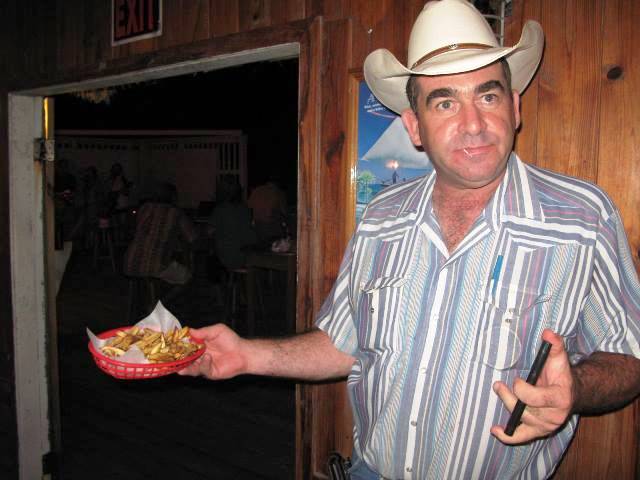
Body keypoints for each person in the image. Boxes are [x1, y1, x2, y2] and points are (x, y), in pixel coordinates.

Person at [181, 1, 640, 478]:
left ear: (515, 106)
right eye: (445, 102)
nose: (473, 123)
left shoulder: (582, 216)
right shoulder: (381, 217)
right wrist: (246, 354)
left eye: (488, 96)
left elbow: (630, 355)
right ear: (415, 127)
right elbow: (344, 343)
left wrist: (574, 390)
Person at [124, 182, 197, 290]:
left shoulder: (144, 208)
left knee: (164, 272)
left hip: (129, 262)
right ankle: (161, 299)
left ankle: (151, 295)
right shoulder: (176, 213)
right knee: (188, 278)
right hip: (155, 265)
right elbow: (192, 237)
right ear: (173, 197)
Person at [209, 176, 257, 271]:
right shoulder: (245, 208)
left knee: (210, 252)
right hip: (248, 256)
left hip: (231, 258)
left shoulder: (220, 210)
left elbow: (209, 232)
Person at [247, 174, 288, 245]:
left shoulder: (256, 190)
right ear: (277, 182)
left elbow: (249, 208)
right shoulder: (279, 193)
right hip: (273, 229)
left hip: (257, 228)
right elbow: (284, 213)